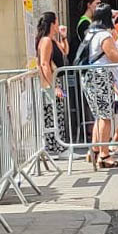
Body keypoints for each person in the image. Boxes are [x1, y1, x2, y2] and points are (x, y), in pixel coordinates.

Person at [80, 4, 118, 170]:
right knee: (105, 117)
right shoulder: (104, 35)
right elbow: (116, 58)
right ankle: (104, 154)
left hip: (89, 76)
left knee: (99, 116)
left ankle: (95, 150)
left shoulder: (90, 33)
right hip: (101, 76)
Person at [35, 11, 71, 158]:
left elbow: (65, 51)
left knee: (58, 114)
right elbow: (44, 63)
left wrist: (63, 36)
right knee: (52, 114)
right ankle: (54, 147)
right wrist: (53, 86)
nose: (58, 25)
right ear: (52, 23)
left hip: (54, 80)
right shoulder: (46, 41)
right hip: (49, 82)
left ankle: (59, 145)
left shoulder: (52, 40)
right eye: (56, 22)